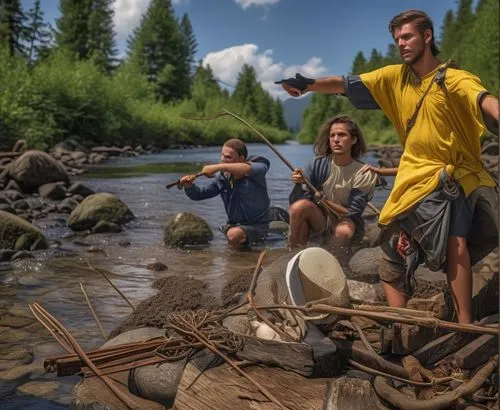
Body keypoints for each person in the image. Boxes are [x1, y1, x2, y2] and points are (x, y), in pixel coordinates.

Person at [276, 9, 499, 324]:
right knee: (398, 249)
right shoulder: (395, 78)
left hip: (454, 176)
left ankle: (460, 322)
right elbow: (346, 83)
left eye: (407, 36)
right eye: (397, 40)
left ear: (427, 36)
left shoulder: (454, 78)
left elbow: (483, 100)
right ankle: (404, 320)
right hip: (414, 178)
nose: (401, 44)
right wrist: (308, 84)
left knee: (453, 243)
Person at [289, 115, 378, 252]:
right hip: (321, 219)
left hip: (347, 220)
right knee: (298, 207)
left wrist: (325, 201)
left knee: (343, 231)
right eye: (332, 136)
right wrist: (299, 184)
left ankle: (333, 261)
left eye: (342, 135)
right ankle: (293, 253)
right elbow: (300, 200)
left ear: (353, 140)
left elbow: (353, 213)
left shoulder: (364, 172)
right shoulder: (317, 164)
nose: (336, 140)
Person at [177, 138, 271, 249]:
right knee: (233, 235)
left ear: (241, 159)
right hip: (233, 225)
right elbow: (199, 194)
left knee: (233, 235)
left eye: (228, 157)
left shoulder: (258, 168)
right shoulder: (223, 178)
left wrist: (216, 167)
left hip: (258, 227)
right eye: (222, 155)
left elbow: (246, 169)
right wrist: (189, 186)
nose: (223, 159)